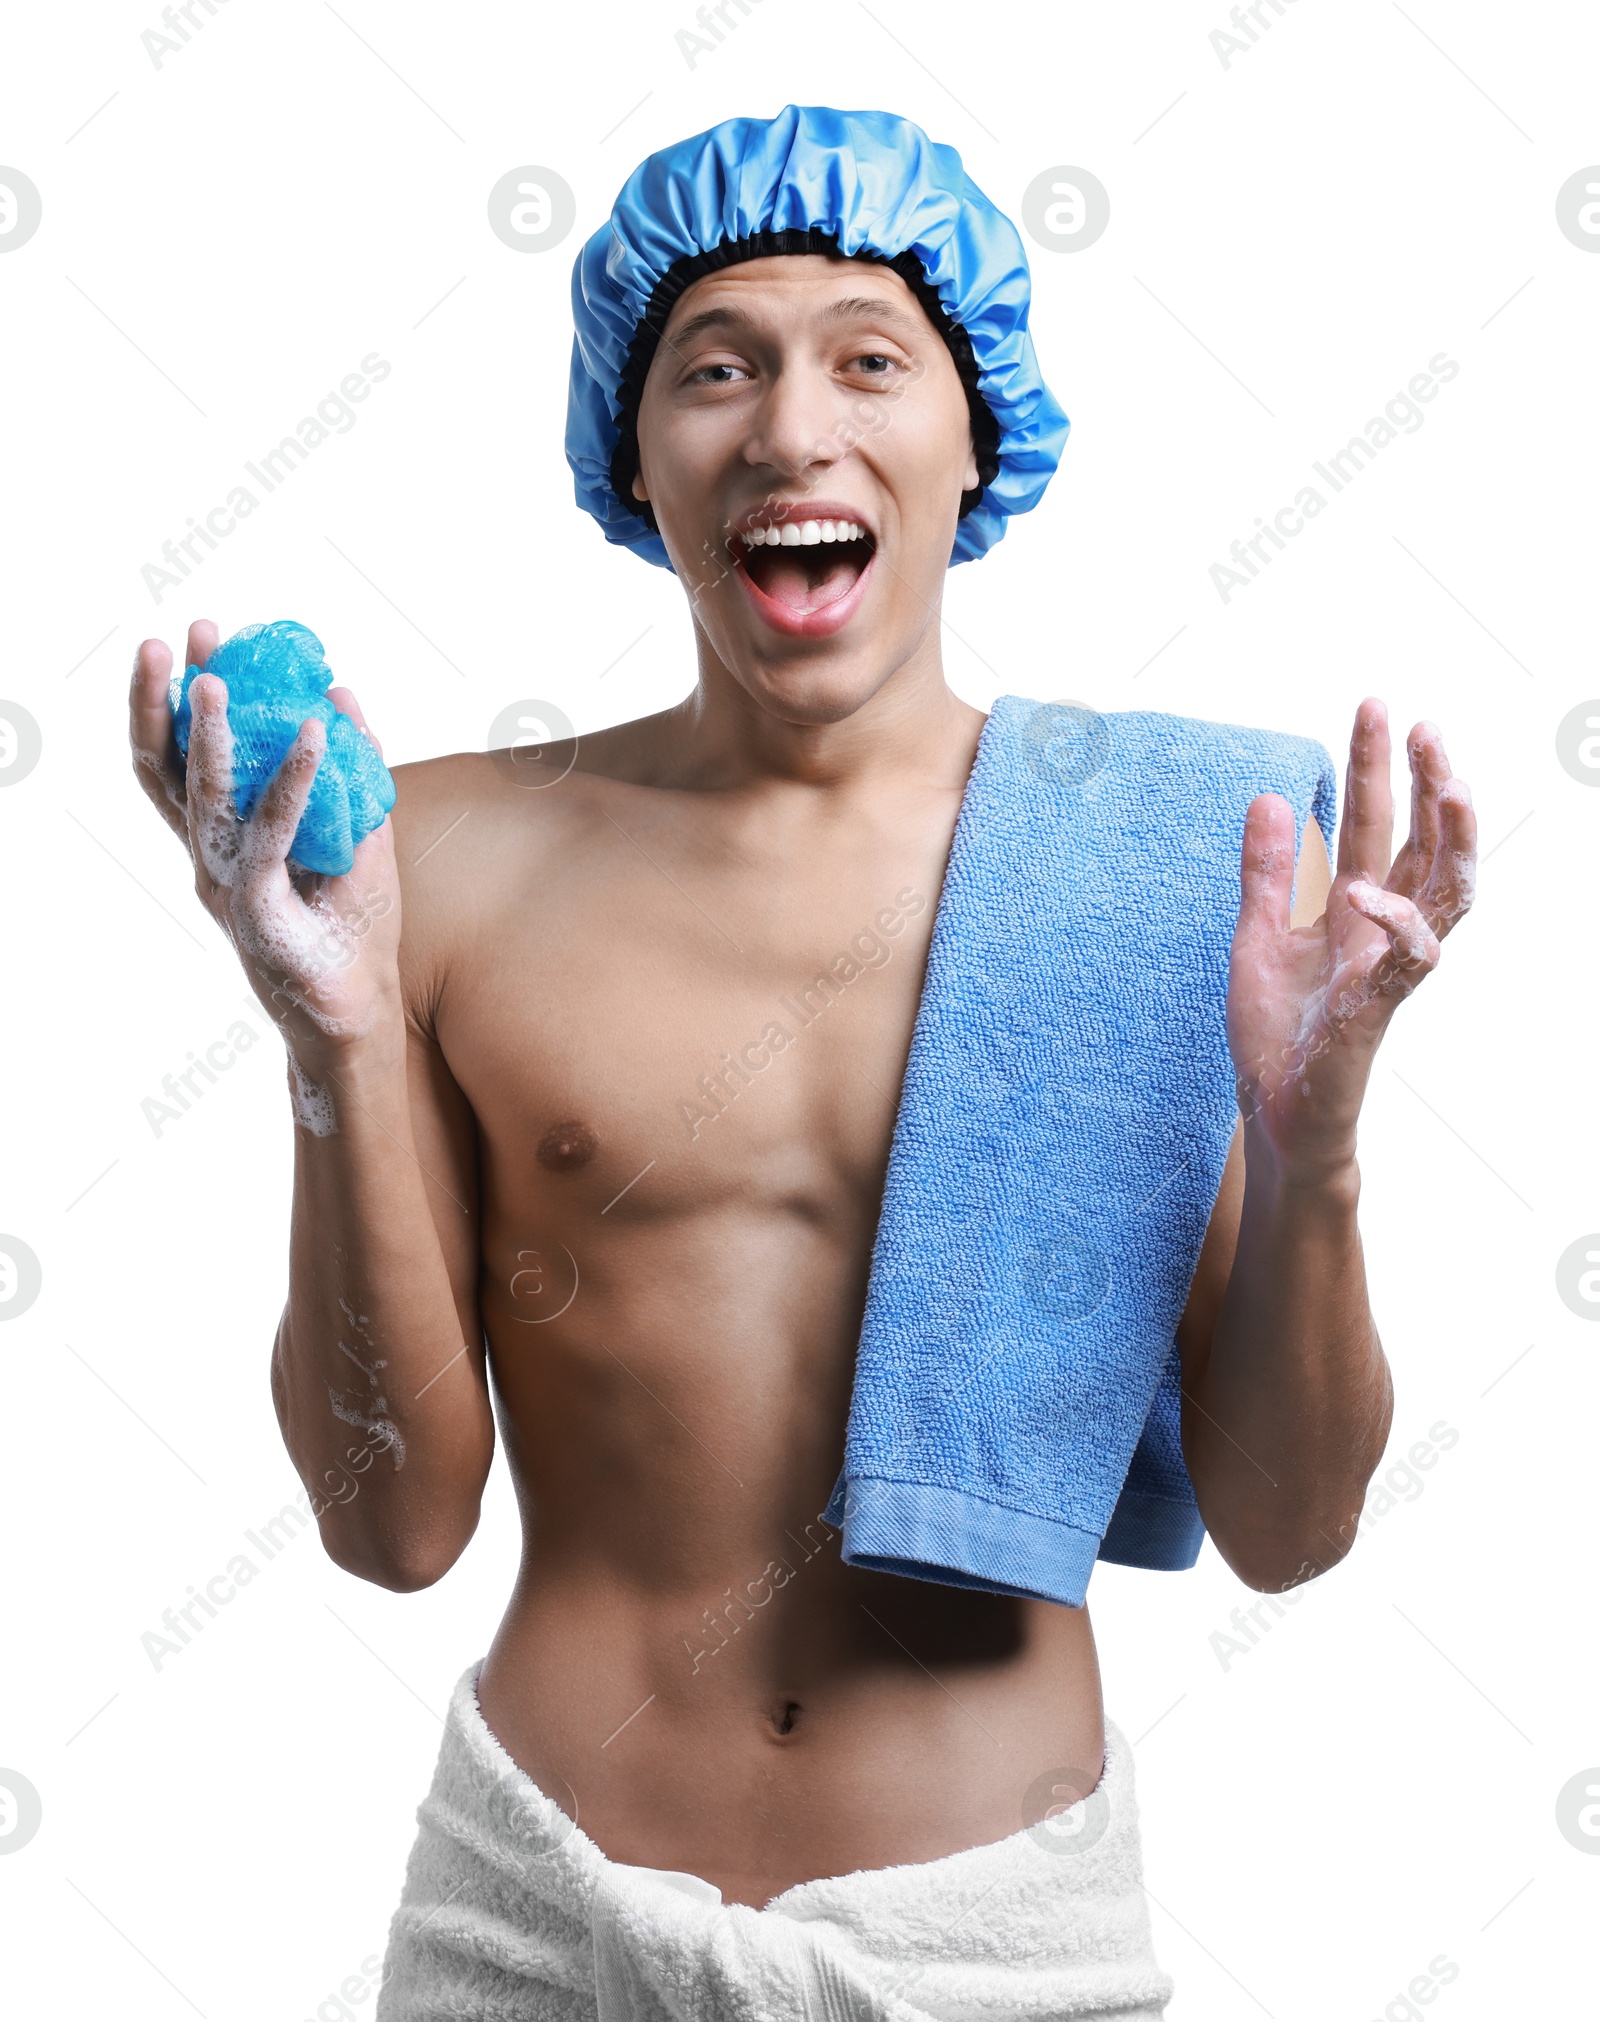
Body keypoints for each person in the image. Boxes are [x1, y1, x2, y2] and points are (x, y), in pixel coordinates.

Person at [128, 105, 1475, 2019]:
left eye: (868, 357)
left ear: (972, 435)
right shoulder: (443, 864)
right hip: (535, 1916)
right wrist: (326, 1034)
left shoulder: (1172, 875)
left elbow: (1293, 1526)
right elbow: (392, 1524)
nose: (788, 428)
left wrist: (1312, 1140)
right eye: (718, 367)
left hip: (992, 1938)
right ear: (633, 452)